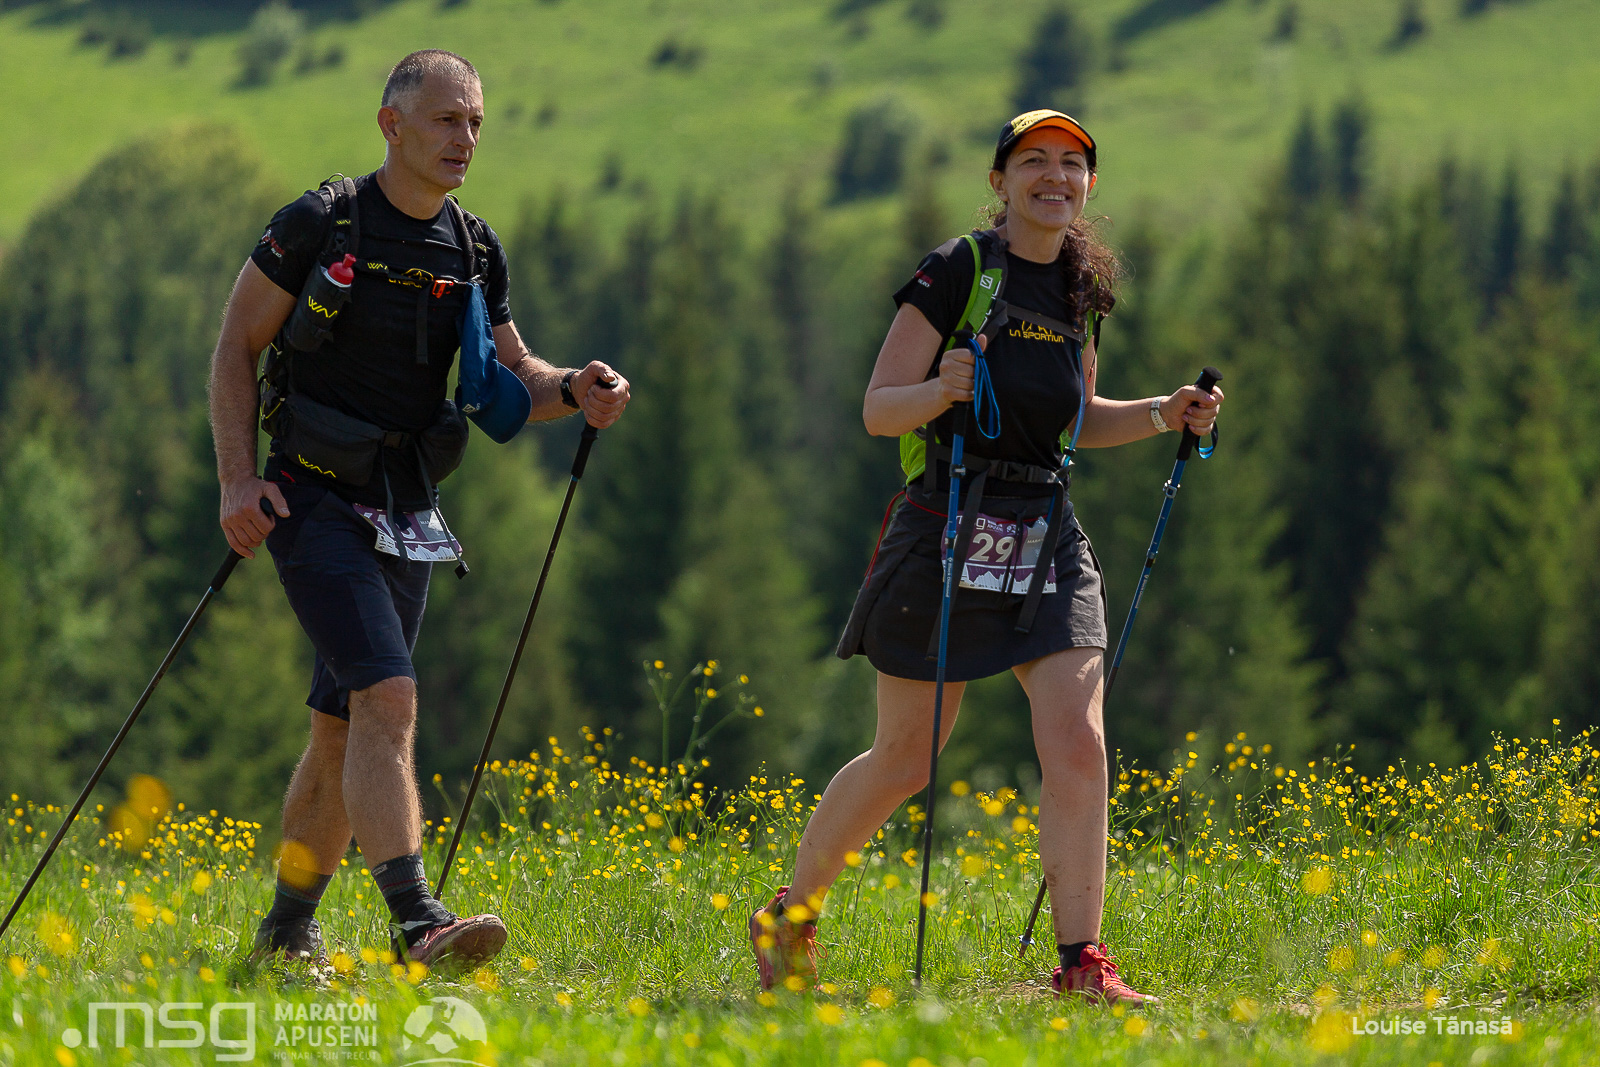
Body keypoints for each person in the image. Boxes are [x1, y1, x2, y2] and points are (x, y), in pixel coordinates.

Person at [749, 109, 1221, 1006]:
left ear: (1089, 186)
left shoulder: (1082, 287)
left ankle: (1082, 962)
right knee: (905, 757)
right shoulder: (959, 269)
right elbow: (880, 408)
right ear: (1000, 181)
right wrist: (939, 389)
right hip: (945, 520)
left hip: (1046, 529)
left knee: (1079, 740)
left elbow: (1077, 420)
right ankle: (790, 915)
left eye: (1072, 164)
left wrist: (1164, 412)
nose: (1055, 177)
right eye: (1034, 160)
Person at [208, 49, 630, 969]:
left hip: (408, 512)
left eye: (475, 121)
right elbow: (236, 346)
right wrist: (238, 481)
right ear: (391, 124)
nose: (464, 138)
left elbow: (515, 376)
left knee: (342, 727)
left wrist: (577, 386)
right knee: (388, 696)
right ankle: (417, 921)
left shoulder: (473, 248)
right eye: (446, 119)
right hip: (310, 498)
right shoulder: (319, 221)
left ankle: (284, 935)